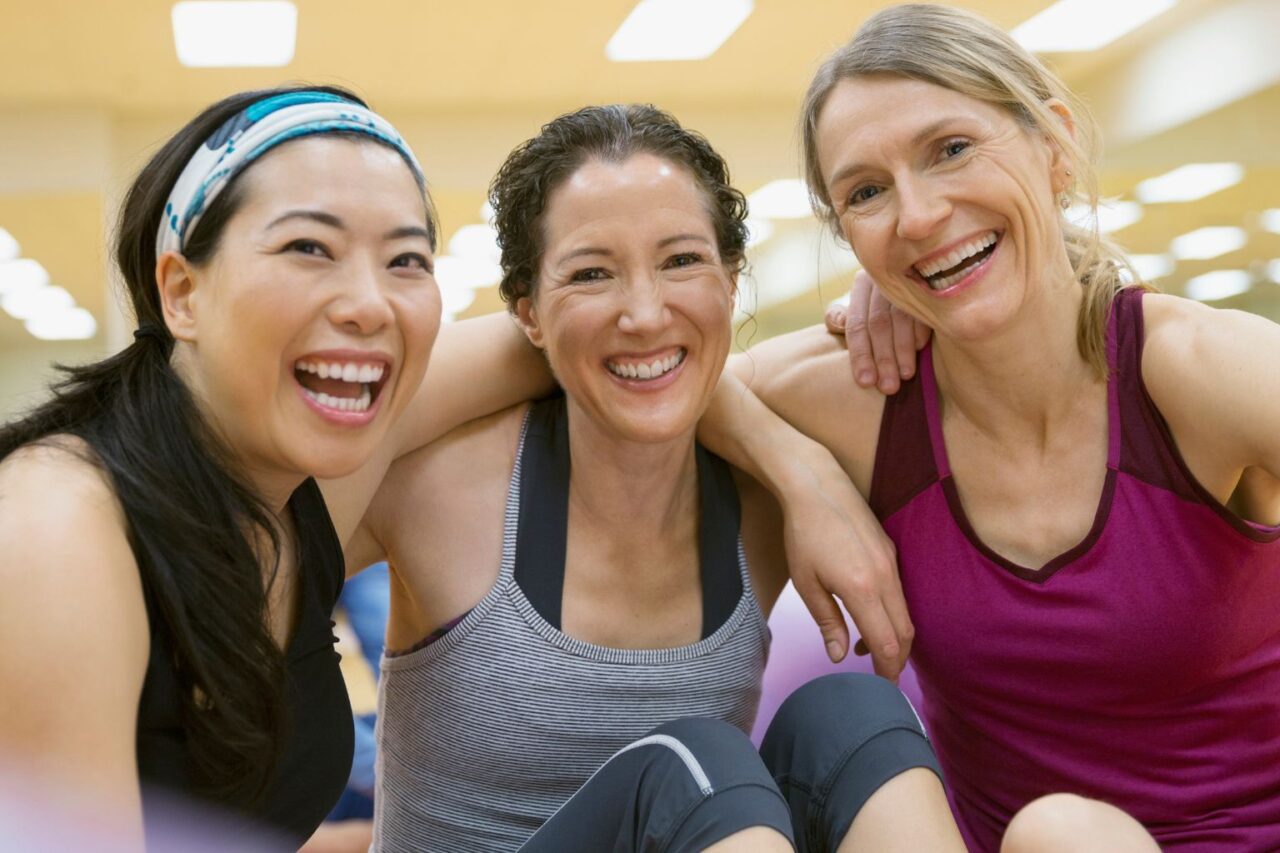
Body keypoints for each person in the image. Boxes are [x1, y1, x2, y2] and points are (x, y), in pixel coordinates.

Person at [0, 85, 915, 850]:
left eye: (404, 259)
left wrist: (804, 463)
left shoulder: (304, 488)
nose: (365, 301)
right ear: (181, 289)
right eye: (307, 247)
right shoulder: (60, 522)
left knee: (846, 715)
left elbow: (637, 348)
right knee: (695, 763)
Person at [348, 103, 964, 853]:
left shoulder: (764, 498)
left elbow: (1023, 345)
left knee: (854, 717)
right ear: (526, 316)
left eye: (681, 261)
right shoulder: (438, 486)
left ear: (732, 282)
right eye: (590, 273)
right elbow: (268, 480)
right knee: (692, 768)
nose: (644, 312)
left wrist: (893, 293)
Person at [735, 4, 1280, 851]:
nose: (916, 216)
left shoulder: (1197, 369)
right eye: (867, 192)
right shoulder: (865, 396)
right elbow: (659, 366)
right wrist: (795, 470)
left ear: (1055, 146)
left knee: (1059, 831)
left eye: (950, 150)